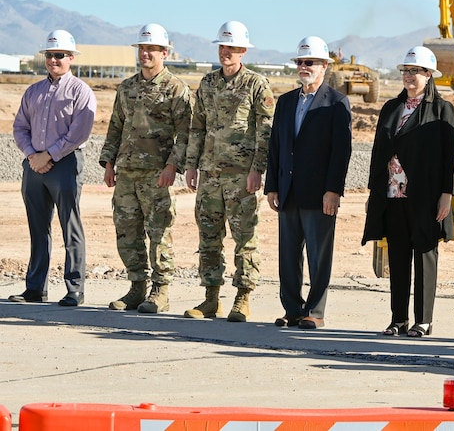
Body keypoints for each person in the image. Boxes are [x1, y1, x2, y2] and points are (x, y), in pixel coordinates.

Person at [363, 46, 454, 338]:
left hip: (426, 195)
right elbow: (379, 152)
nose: (409, 76)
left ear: (429, 75)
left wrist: (447, 193)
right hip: (392, 195)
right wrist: (373, 190)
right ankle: (398, 318)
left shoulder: (442, 110)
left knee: (425, 256)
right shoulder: (391, 108)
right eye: (405, 70)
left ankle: (423, 320)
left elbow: (450, 156)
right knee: (399, 257)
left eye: (415, 71)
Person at [184, 20, 275, 322]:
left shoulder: (256, 85)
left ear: (243, 51)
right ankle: (211, 298)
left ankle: (243, 298)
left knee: (244, 237)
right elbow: (197, 127)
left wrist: (257, 171)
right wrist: (192, 165)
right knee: (208, 237)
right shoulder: (208, 84)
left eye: (232, 47)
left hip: (241, 177)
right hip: (210, 174)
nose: (226, 52)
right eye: (223, 46)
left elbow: (265, 131)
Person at [100, 24, 191, 314]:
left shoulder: (176, 89)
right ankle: (136, 288)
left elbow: (186, 133)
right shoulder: (127, 87)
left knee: (160, 233)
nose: (145, 53)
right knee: (127, 233)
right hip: (126, 173)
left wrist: (172, 166)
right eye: (142, 48)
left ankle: (161, 291)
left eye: (151, 48)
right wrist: (109, 163)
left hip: (157, 176)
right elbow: (115, 126)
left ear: (165, 52)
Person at [265, 36, 351, 330]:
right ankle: (292, 308)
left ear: (324, 66)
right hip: (288, 192)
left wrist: (333, 190)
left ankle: (315, 311)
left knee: (318, 255)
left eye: (310, 62)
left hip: (319, 194)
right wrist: (272, 186)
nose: (304, 67)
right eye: (300, 62)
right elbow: (276, 146)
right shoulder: (286, 102)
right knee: (288, 256)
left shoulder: (337, 103)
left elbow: (341, 152)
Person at [10, 30, 97, 307]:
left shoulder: (80, 91)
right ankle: (35, 288)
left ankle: (74, 289)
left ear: (71, 58)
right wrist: (32, 155)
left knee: (70, 226)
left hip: (65, 165)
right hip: (34, 166)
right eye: (49, 55)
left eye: (59, 55)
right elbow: (20, 127)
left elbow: (79, 132)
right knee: (38, 228)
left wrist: (50, 155)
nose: (53, 60)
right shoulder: (33, 91)